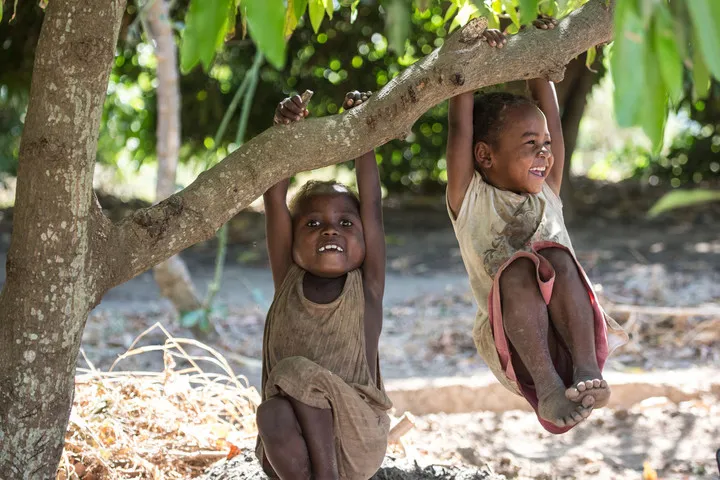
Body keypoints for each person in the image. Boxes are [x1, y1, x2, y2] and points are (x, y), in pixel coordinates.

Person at [446, 21, 627, 433]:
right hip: (518, 348)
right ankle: (549, 391)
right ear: (485, 155)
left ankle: (586, 369)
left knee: (554, 257)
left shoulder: (547, 190)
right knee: (519, 269)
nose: (544, 153)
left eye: (545, 144)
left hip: (570, 336)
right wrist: (467, 55)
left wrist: (538, 53)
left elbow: (553, 119)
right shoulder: (470, 198)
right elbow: (460, 124)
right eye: (530, 144)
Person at [255, 90, 392, 479]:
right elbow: (274, 199)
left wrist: (364, 133)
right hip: (293, 453)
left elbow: (374, 208)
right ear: (292, 241)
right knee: (271, 411)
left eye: (346, 223)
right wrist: (284, 132)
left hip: (358, 437)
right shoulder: (288, 280)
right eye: (313, 223)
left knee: (294, 371)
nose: (330, 228)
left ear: (365, 240)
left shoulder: (367, 289)